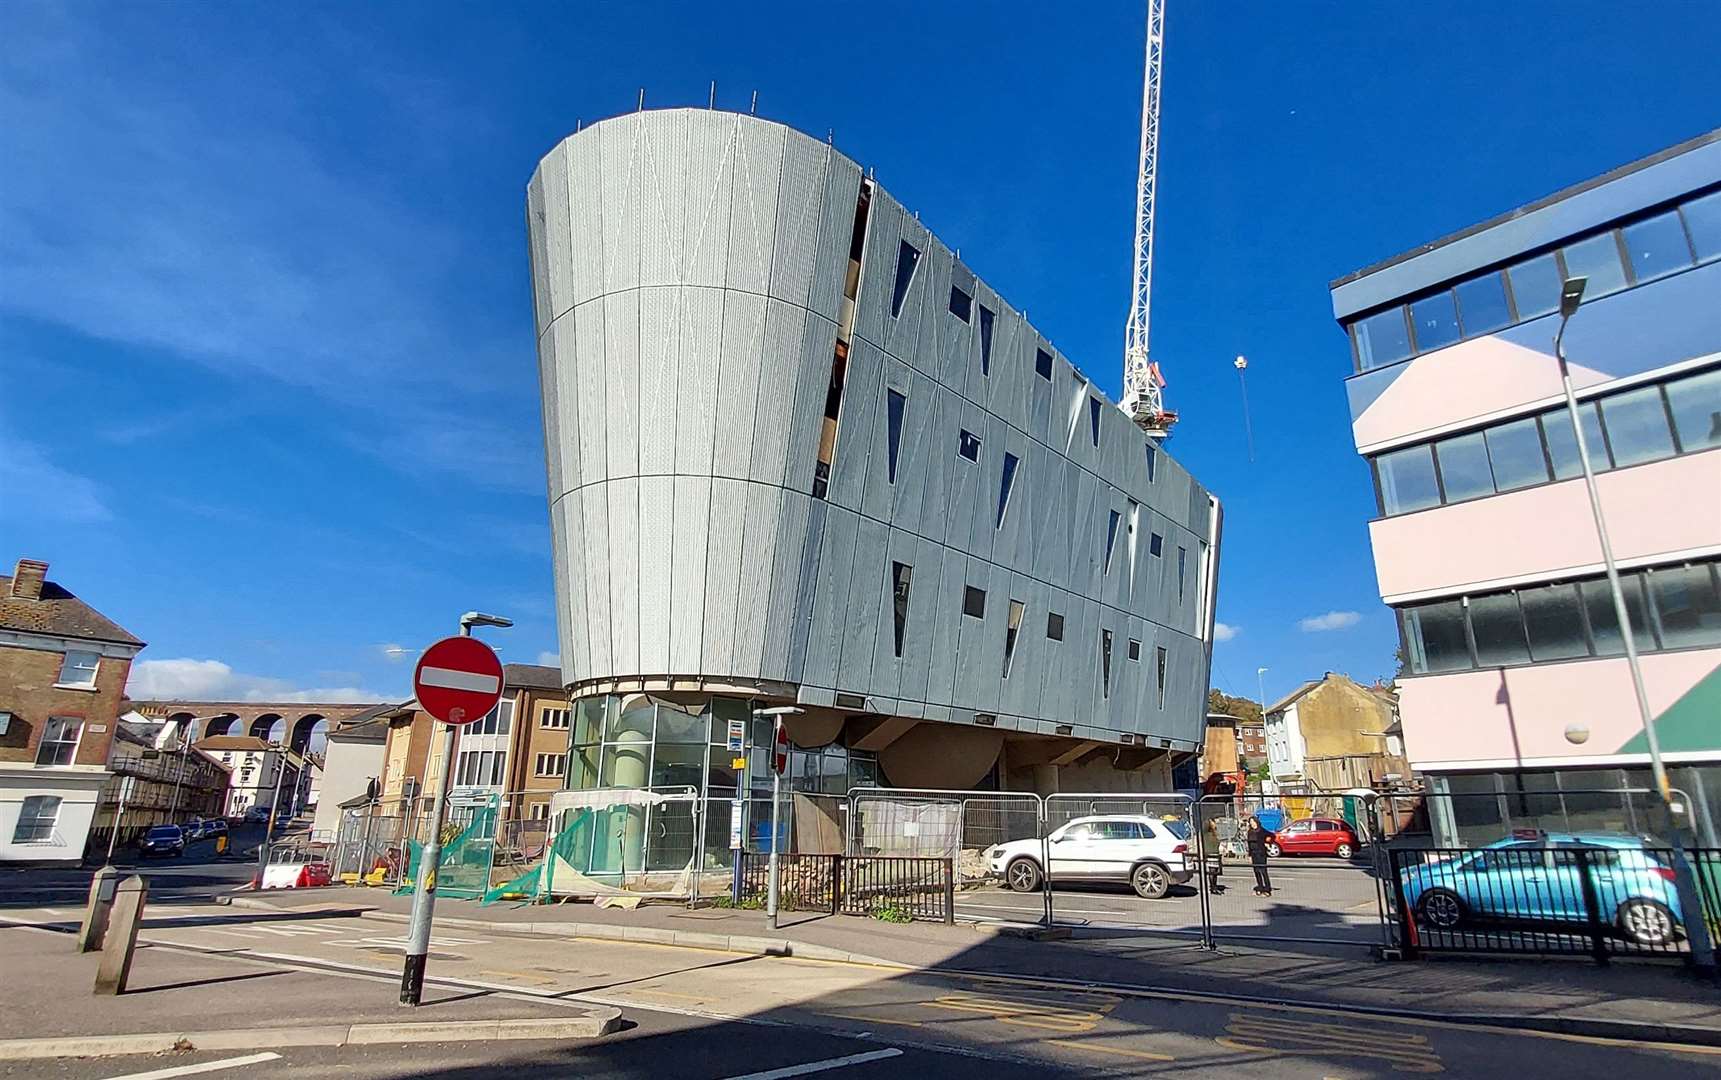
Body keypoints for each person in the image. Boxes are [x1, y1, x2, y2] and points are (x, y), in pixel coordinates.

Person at [1246, 815, 1273, 897]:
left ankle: (1267, 889)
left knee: (1263, 871)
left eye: (1253, 822)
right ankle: (1260, 888)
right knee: (1256, 871)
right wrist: (1249, 855)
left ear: (1256, 822)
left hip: (1261, 853)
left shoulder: (1261, 830)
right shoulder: (1250, 832)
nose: (1252, 824)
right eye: (1250, 823)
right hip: (1254, 853)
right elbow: (1249, 844)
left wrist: (1268, 843)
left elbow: (1271, 835)